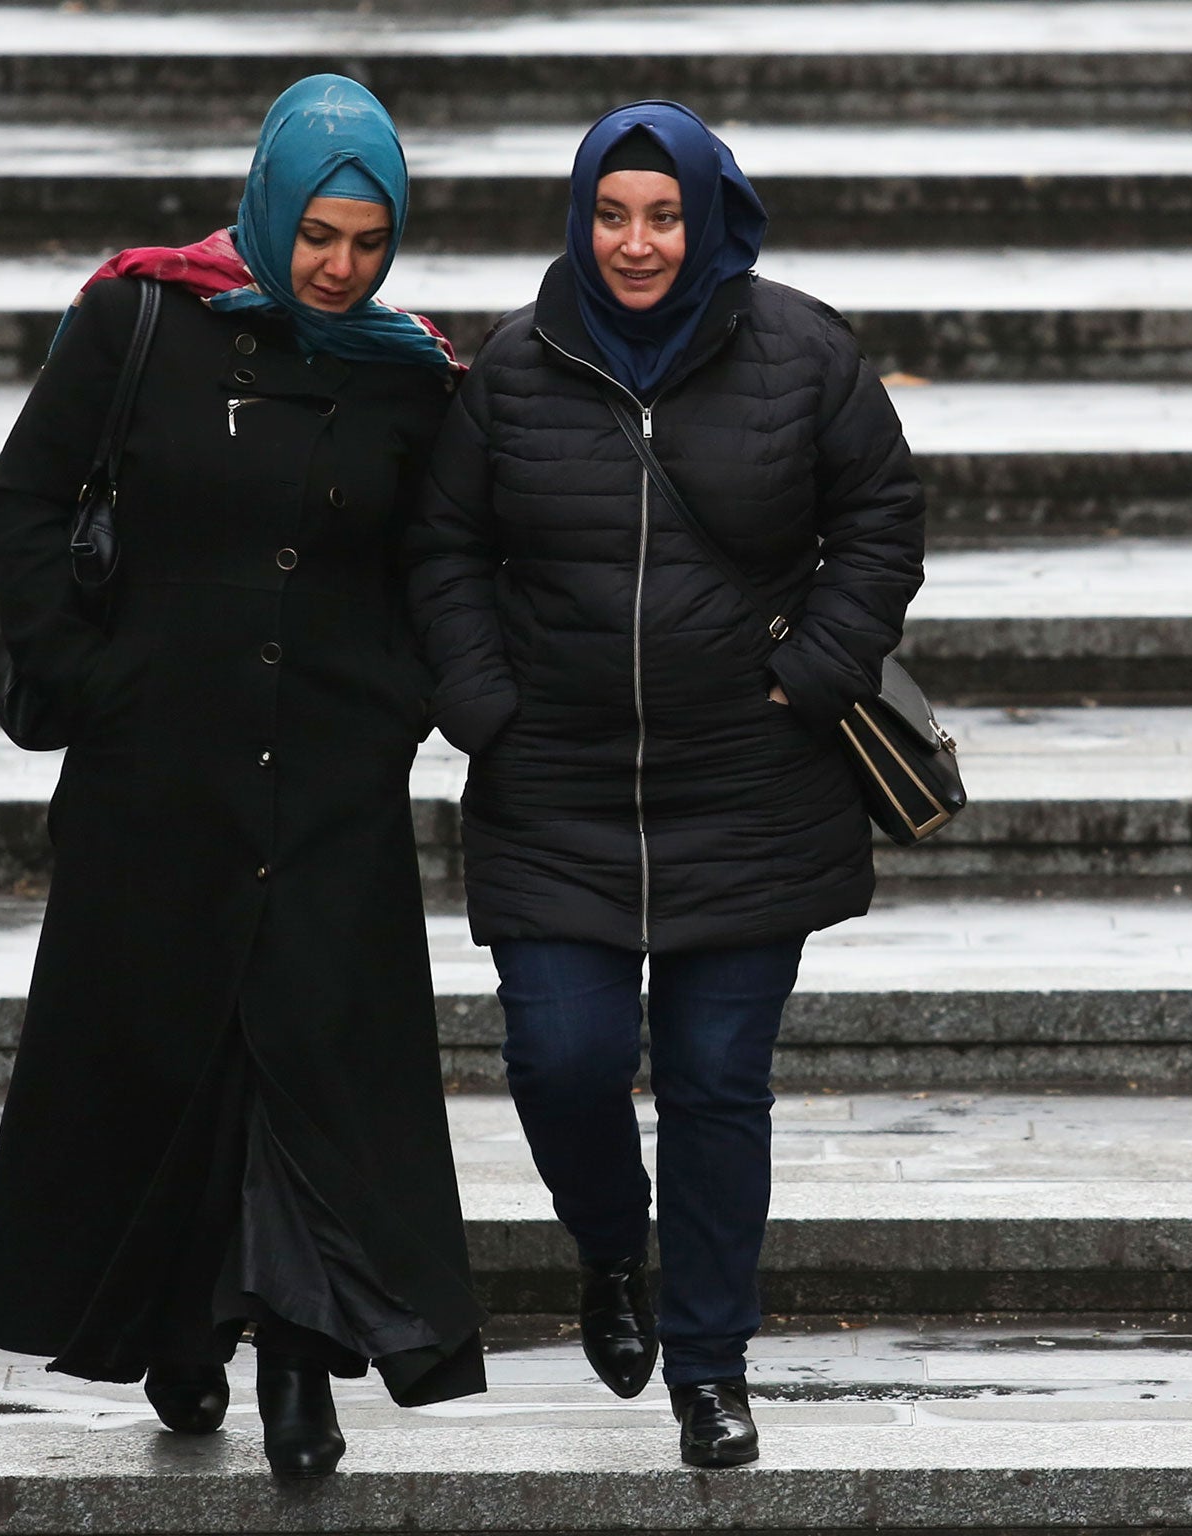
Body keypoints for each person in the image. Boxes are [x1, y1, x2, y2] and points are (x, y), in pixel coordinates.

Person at [0, 74, 485, 1481]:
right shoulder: (140, 319)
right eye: (319, 233)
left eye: (366, 241)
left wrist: (405, 706)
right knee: (173, 1059)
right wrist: (86, 681)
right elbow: (22, 507)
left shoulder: (408, 373)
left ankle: (299, 1369)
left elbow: (441, 565)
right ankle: (181, 1331)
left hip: (328, 784)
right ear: (271, 204)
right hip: (159, 776)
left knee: (304, 1064)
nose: (338, 265)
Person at [407, 101, 925, 1469]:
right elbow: (444, 547)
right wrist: (481, 703)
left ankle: (709, 1365)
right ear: (580, 218)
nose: (636, 243)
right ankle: (610, 1252)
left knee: (713, 1081)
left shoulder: (804, 354)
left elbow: (881, 521)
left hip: (749, 789)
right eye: (611, 213)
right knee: (561, 1059)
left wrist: (811, 675)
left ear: (708, 218)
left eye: (663, 214)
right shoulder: (514, 369)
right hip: (554, 786)